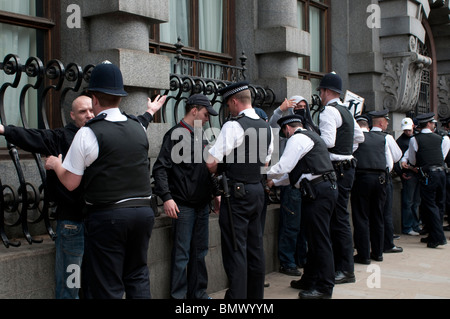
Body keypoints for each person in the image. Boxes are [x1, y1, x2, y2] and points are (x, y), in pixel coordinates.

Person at [45, 61, 167, 299]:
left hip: (109, 217)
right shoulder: (137, 128)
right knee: (137, 275)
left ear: (94, 98)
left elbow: (71, 182)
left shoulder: (88, 132)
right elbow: (142, 121)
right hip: (143, 213)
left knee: (107, 283)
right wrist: (150, 111)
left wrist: (56, 165)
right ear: (120, 97)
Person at [0, 93, 93, 299]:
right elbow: (33, 136)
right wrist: (4, 129)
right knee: (72, 283)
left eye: (91, 110)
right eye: (82, 111)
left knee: (92, 284)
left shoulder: (100, 135)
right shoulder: (60, 137)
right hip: (73, 226)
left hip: (98, 224)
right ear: (72, 116)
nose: (88, 115)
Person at [206, 81, 273, 299]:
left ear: (235, 101)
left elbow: (210, 162)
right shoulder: (266, 126)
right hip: (257, 190)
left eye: (228, 104)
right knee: (255, 247)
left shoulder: (234, 125)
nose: (228, 108)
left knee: (236, 249)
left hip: (237, 193)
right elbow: (266, 162)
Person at [152, 94, 219, 299]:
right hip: (183, 206)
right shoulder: (175, 135)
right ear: (194, 111)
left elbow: (208, 170)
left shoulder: (201, 135)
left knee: (200, 252)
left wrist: (215, 193)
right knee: (182, 255)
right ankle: (178, 297)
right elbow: (160, 169)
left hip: (201, 205)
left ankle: (198, 294)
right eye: (206, 114)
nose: (208, 119)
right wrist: (167, 197)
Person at [267, 114, 338, 299]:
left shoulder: (297, 138)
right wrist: (274, 183)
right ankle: (310, 278)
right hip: (320, 190)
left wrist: (262, 174)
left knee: (320, 240)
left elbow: (283, 166)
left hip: (318, 192)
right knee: (314, 238)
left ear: (287, 128)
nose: (286, 135)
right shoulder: (310, 136)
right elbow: (293, 174)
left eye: (284, 132)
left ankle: (324, 287)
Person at [314, 72, 365, 285]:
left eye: (321, 91)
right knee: (340, 218)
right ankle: (342, 267)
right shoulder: (346, 111)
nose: (320, 95)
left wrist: (310, 138)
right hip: (347, 167)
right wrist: (346, 151)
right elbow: (359, 137)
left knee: (338, 220)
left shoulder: (328, 111)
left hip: (337, 168)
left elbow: (326, 141)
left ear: (326, 91)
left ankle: (344, 269)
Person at [268, 96, 310, 276]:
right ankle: (288, 261)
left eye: (303, 106)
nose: (300, 109)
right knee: (291, 225)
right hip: (289, 183)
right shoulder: (285, 131)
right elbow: (271, 128)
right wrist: (280, 110)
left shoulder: (306, 129)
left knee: (304, 225)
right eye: (296, 107)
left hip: (305, 184)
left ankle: (302, 258)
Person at [401, 112, 450, 248]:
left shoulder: (415, 139)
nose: (434, 124)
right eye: (433, 123)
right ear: (428, 124)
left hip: (428, 175)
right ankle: (434, 235)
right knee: (439, 204)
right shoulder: (442, 138)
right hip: (441, 173)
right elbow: (442, 156)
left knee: (430, 205)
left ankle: (437, 236)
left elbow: (412, 160)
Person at [351, 115, 389, 264]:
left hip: (362, 178)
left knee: (361, 217)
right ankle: (378, 252)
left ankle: (363, 255)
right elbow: (390, 161)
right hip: (380, 179)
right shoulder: (382, 138)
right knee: (377, 216)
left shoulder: (356, 139)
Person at [369, 110, 403, 254]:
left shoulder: (365, 136)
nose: (387, 124)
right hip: (383, 178)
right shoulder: (386, 137)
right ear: (382, 123)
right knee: (385, 213)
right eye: (386, 122)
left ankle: (373, 243)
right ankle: (387, 244)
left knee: (371, 213)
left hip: (367, 178)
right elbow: (397, 155)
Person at [394, 117, 421, 236]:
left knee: (415, 201)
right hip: (409, 173)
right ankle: (408, 226)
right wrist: (401, 173)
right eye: (405, 130)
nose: (407, 132)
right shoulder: (400, 141)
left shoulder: (415, 138)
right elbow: (396, 159)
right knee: (408, 202)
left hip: (417, 172)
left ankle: (415, 224)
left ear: (413, 127)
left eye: (409, 130)